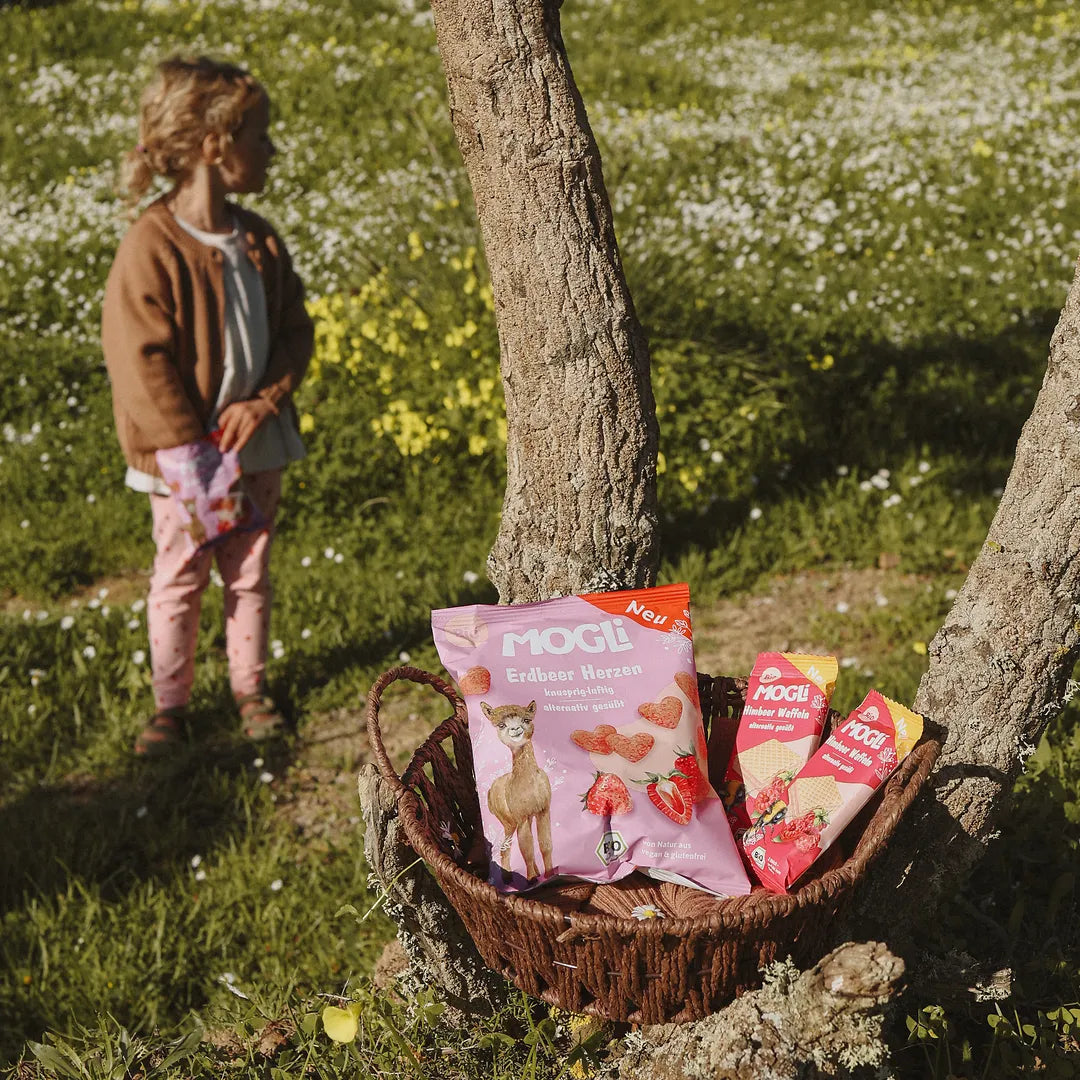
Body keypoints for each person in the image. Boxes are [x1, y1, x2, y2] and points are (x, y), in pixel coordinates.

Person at [101, 55, 313, 756]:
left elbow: (294, 331)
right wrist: (188, 448)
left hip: (254, 447)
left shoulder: (260, 240)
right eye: (261, 135)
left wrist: (266, 399)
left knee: (249, 572)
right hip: (183, 461)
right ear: (217, 146)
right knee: (180, 576)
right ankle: (171, 704)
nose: (273, 150)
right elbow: (141, 359)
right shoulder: (151, 245)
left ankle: (248, 687)